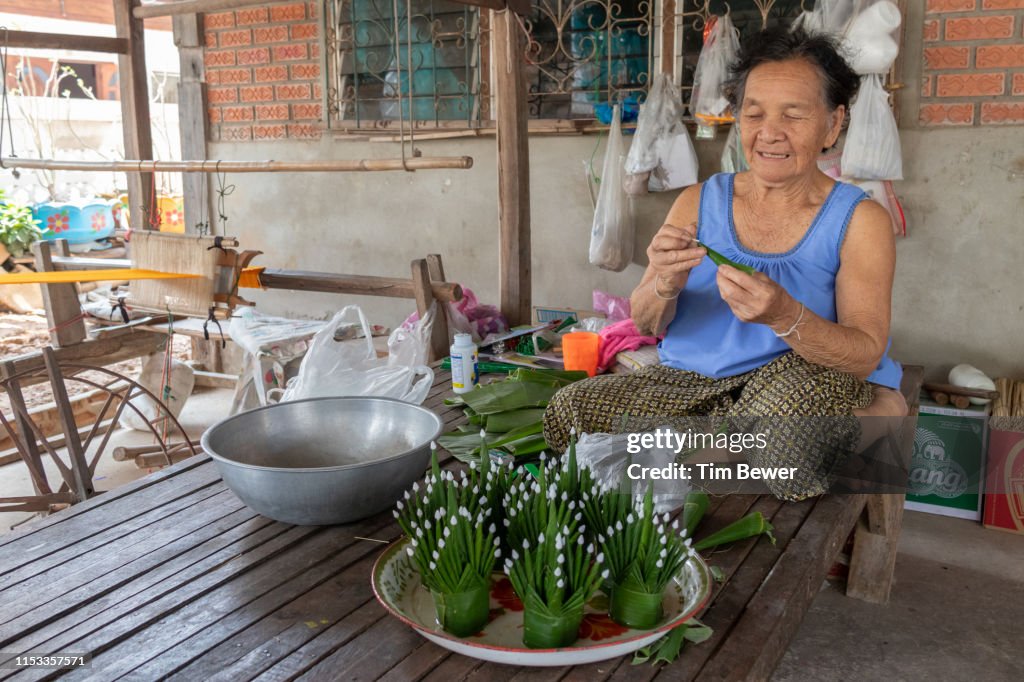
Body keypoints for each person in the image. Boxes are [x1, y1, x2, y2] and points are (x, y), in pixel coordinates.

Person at [543, 28, 907, 500]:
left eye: (793, 115)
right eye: (753, 113)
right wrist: (665, 284)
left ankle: (877, 412)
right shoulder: (700, 201)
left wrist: (784, 316)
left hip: (796, 379)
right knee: (570, 413)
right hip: (690, 383)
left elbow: (863, 353)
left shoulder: (859, 219)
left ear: (833, 124)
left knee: (782, 445)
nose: (769, 133)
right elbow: (645, 320)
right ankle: (721, 452)